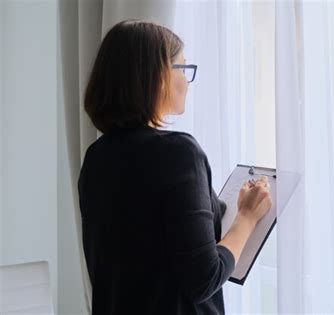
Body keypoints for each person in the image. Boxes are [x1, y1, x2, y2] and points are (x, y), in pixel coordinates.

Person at [77, 20, 272, 314]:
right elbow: (203, 278)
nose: (187, 80)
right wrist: (246, 218)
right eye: (182, 68)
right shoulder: (179, 153)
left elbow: (153, 246)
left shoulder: (96, 157)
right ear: (156, 77)